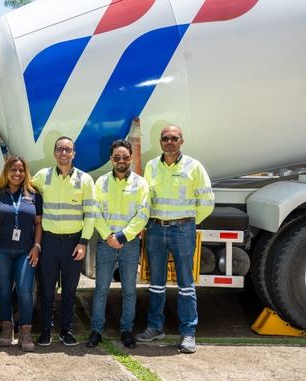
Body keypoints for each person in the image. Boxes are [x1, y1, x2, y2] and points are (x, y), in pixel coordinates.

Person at [135, 125, 214, 354]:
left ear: (182, 141)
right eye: (165, 138)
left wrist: (188, 221)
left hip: (182, 230)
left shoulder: (194, 166)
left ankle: (188, 332)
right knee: (156, 283)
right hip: (156, 229)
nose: (169, 141)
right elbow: (146, 199)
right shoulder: (151, 167)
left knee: (185, 284)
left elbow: (207, 201)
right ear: (160, 142)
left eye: (174, 138)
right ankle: (154, 327)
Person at [33, 136, 96, 346]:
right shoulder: (43, 176)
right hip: (49, 243)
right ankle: (45, 331)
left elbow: (91, 214)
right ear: (54, 153)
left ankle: (66, 330)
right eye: (60, 149)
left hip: (73, 244)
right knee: (47, 290)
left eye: (68, 150)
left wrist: (83, 242)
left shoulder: (85, 180)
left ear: (74, 154)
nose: (63, 153)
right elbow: (21, 184)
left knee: (69, 291)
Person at [87, 140, 149, 350]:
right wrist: (108, 237)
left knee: (129, 290)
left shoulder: (140, 184)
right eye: (116, 157)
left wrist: (121, 237)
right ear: (111, 159)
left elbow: (143, 214)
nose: (121, 161)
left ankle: (126, 330)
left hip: (129, 244)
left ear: (130, 158)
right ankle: (96, 330)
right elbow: (95, 211)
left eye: (124, 157)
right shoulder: (101, 182)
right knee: (101, 289)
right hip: (106, 243)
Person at [0, 156, 42, 352]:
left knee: (25, 292)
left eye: (21, 170)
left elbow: (38, 224)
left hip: (26, 251)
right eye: (13, 170)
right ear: (6, 171)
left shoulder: (34, 195)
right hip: (1, 251)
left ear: (25, 173)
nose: (17, 173)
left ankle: (25, 332)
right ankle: (6, 330)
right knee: (4, 291)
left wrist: (36, 246)